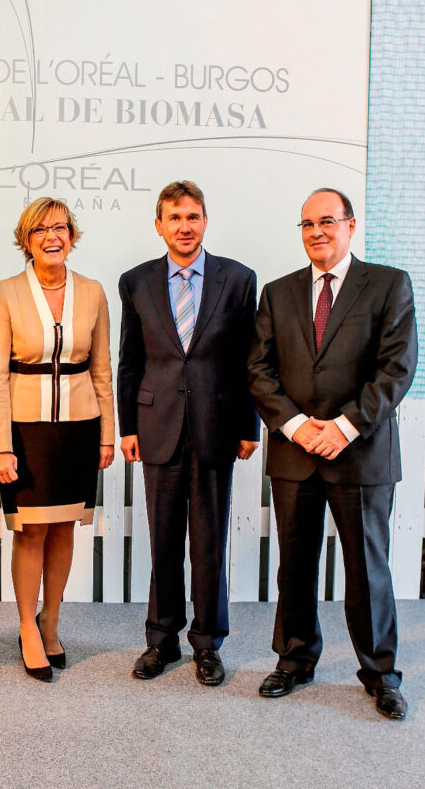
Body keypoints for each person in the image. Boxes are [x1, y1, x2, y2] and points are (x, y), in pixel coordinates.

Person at [248, 188, 417, 720]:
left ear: (349, 225)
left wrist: (343, 427)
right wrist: (299, 427)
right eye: (306, 224)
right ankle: (295, 660)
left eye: (326, 221)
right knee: (295, 565)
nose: (316, 232)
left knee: (367, 569)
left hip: (361, 452)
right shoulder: (277, 293)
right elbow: (258, 370)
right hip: (296, 452)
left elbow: (397, 368)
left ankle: (381, 674)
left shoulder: (389, 284)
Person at [118, 180, 259, 685]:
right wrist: (127, 427)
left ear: (205, 221)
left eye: (193, 216)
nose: (185, 226)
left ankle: (207, 644)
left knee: (208, 540)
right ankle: (162, 640)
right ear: (159, 225)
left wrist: (250, 425)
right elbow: (130, 361)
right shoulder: (135, 281)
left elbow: (250, 359)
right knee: (163, 542)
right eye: (174, 218)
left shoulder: (239, 279)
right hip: (156, 428)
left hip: (217, 426)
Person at [0, 198, 114, 681]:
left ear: (72, 235)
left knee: (64, 527)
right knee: (31, 529)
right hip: (25, 429)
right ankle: (25, 626)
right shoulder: (6, 293)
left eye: (59, 228)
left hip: (80, 428)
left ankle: (51, 620)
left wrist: (106, 435)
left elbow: (102, 370)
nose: (51, 237)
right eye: (40, 230)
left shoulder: (95, 292)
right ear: (26, 240)